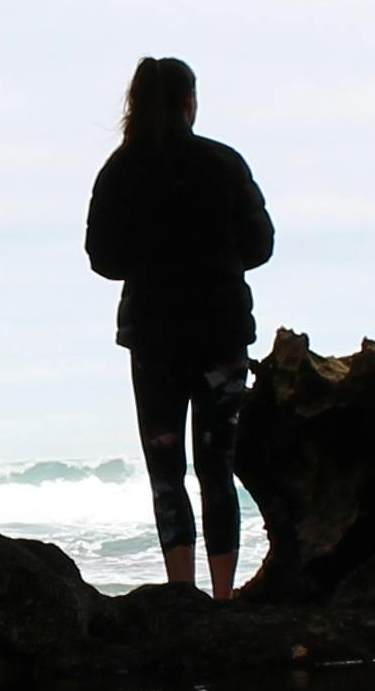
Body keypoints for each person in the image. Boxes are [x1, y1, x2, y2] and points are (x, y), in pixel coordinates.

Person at [81, 54, 274, 597]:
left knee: (166, 470)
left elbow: (102, 257)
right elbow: (262, 245)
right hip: (221, 332)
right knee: (218, 467)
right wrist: (217, 256)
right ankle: (224, 596)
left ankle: (180, 594)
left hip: (154, 336)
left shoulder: (120, 170)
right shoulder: (224, 163)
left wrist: (152, 259)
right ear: (190, 101)